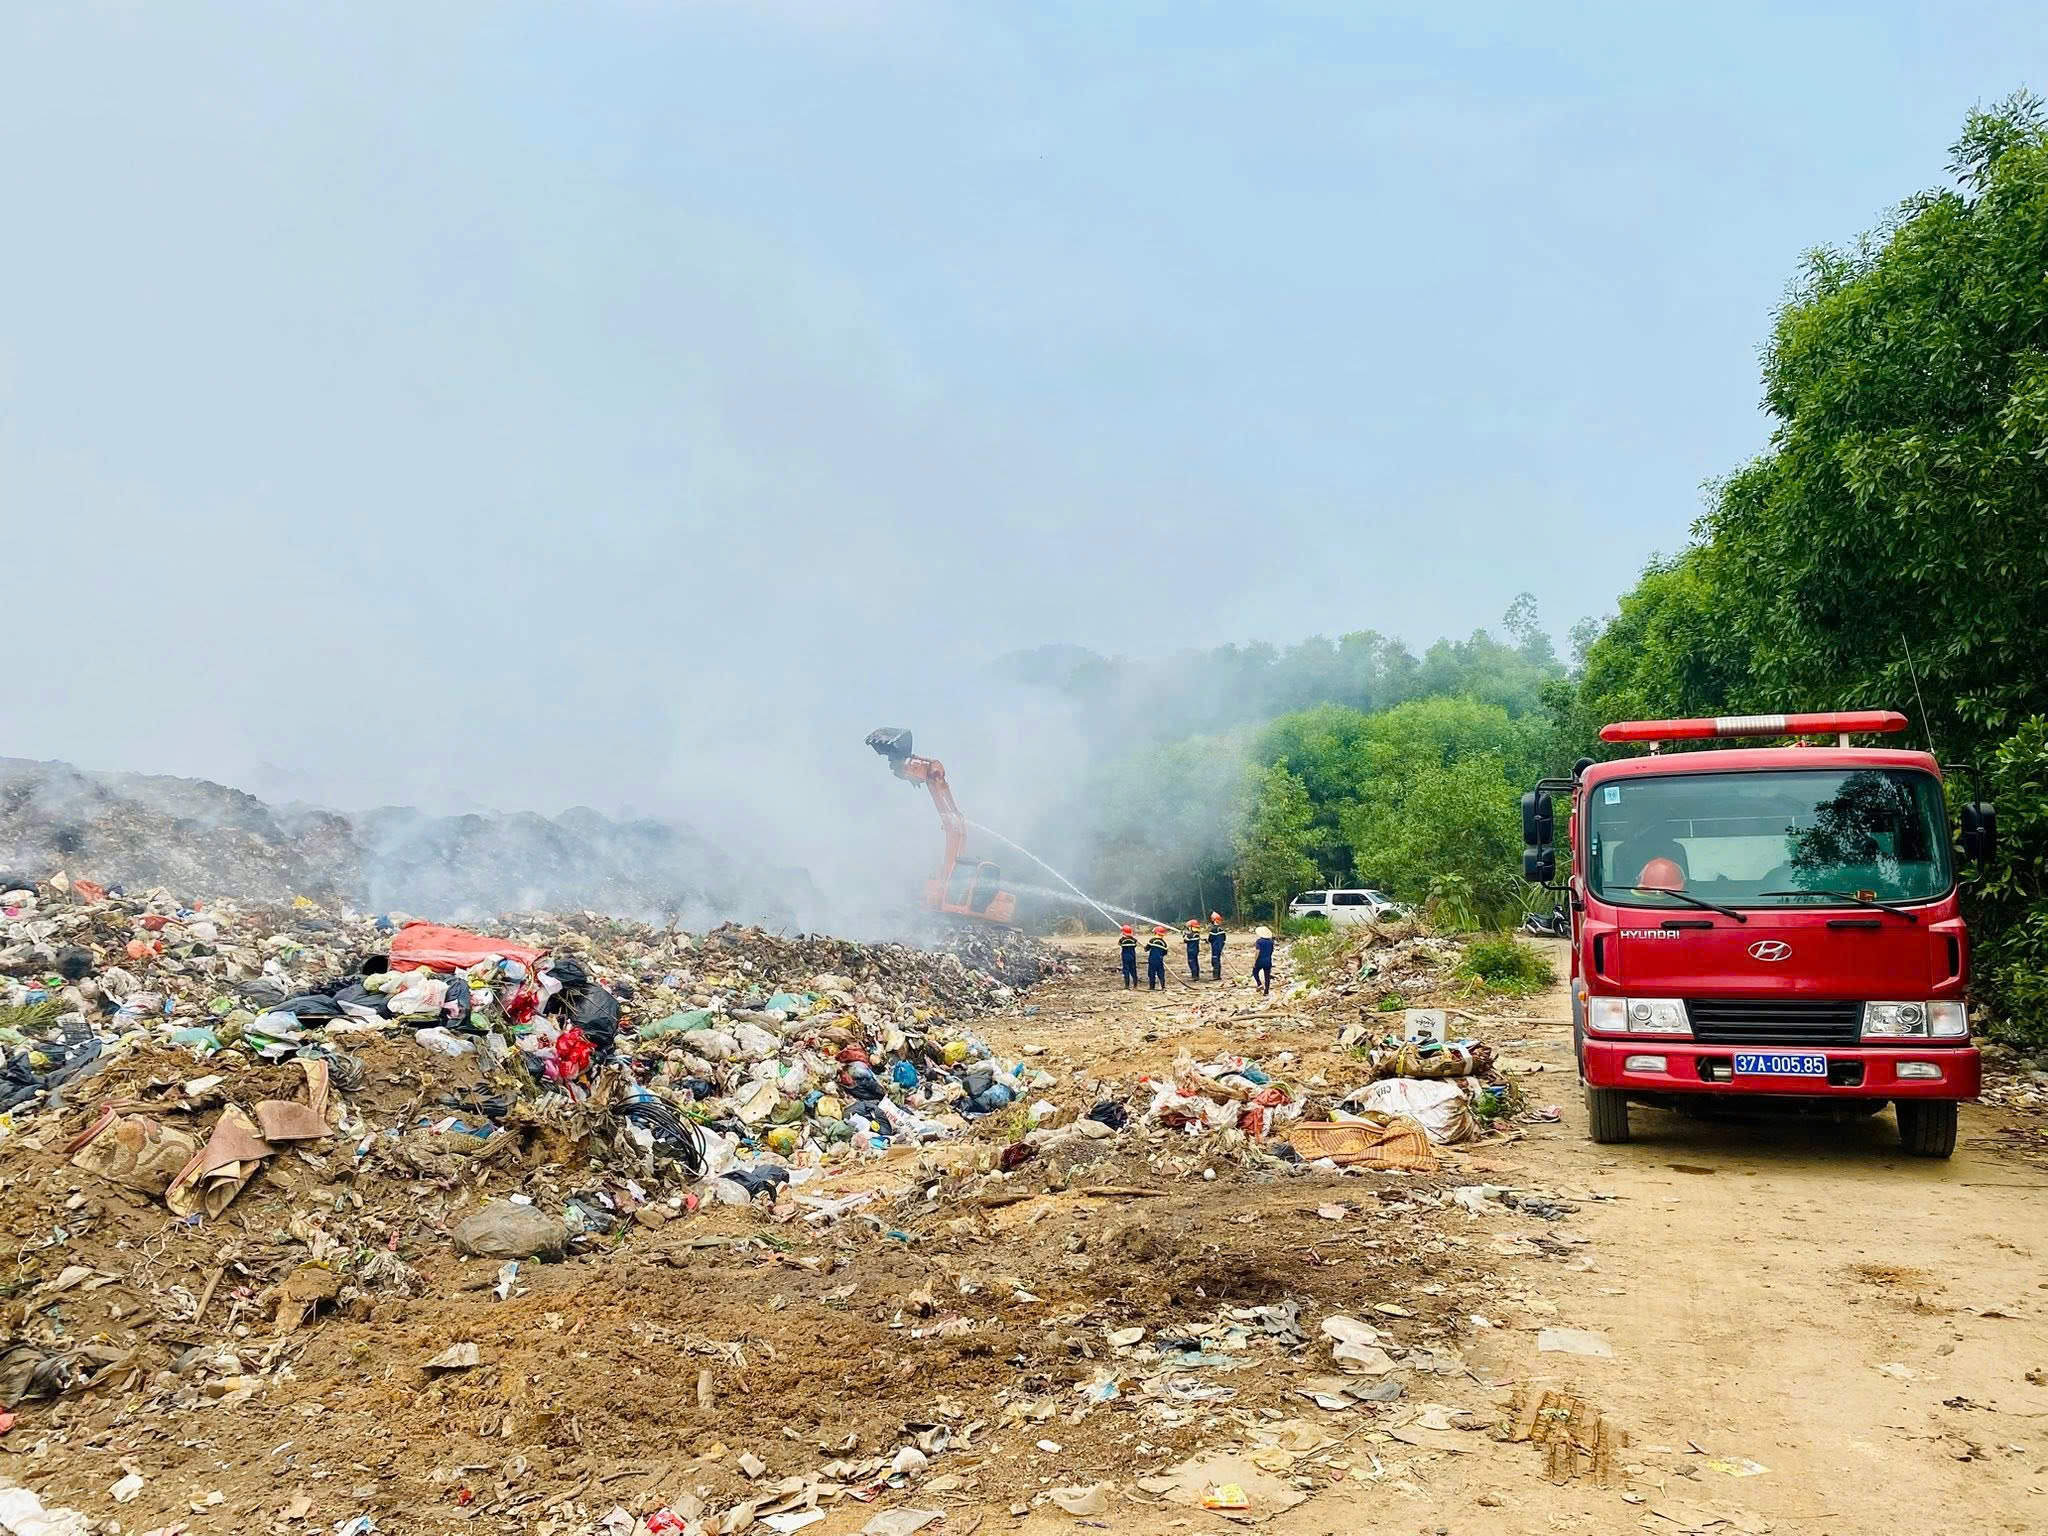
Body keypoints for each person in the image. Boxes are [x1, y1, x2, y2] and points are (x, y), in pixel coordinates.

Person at [1251, 925, 1275, 996]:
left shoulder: (1259, 941)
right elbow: (1272, 951)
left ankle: (1259, 984)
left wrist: (1254, 961)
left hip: (1260, 960)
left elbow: (1257, 951)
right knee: (1267, 976)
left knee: (1255, 972)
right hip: (1268, 960)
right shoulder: (1271, 942)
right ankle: (1266, 991)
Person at [1145, 925, 1169, 990]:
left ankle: (1152, 987)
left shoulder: (1152, 940)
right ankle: (1163, 986)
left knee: (1151, 974)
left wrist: (1146, 948)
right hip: (1160, 961)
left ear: (1156, 933)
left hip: (1152, 960)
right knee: (1161, 974)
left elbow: (1146, 948)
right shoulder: (1164, 943)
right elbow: (1165, 952)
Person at [1117, 924, 1139, 989]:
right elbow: (1135, 944)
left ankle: (1127, 986)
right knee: (1133, 970)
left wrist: (1123, 936)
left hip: (1125, 957)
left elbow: (1119, 944)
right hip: (1132, 957)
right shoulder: (1134, 940)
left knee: (1126, 971)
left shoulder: (1122, 940)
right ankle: (1135, 985)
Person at [1207, 911, 1226, 980]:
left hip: (1215, 947)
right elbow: (1224, 939)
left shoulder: (1213, 929)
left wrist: (1207, 941)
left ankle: (1216, 976)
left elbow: (1210, 938)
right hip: (1219, 947)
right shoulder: (1221, 929)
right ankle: (1218, 975)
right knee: (1218, 960)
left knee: (1215, 961)